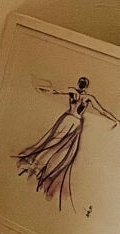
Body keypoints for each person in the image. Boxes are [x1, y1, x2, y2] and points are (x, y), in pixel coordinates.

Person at [15, 76, 118, 210]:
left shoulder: (72, 91)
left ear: (78, 84)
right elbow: (102, 111)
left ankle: (35, 165)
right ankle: (38, 168)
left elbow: (54, 91)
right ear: (86, 87)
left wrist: (41, 88)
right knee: (62, 150)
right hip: (75, 122)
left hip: (66, 118)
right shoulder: (89, 98)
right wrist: (115, 120)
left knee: (51, 143)